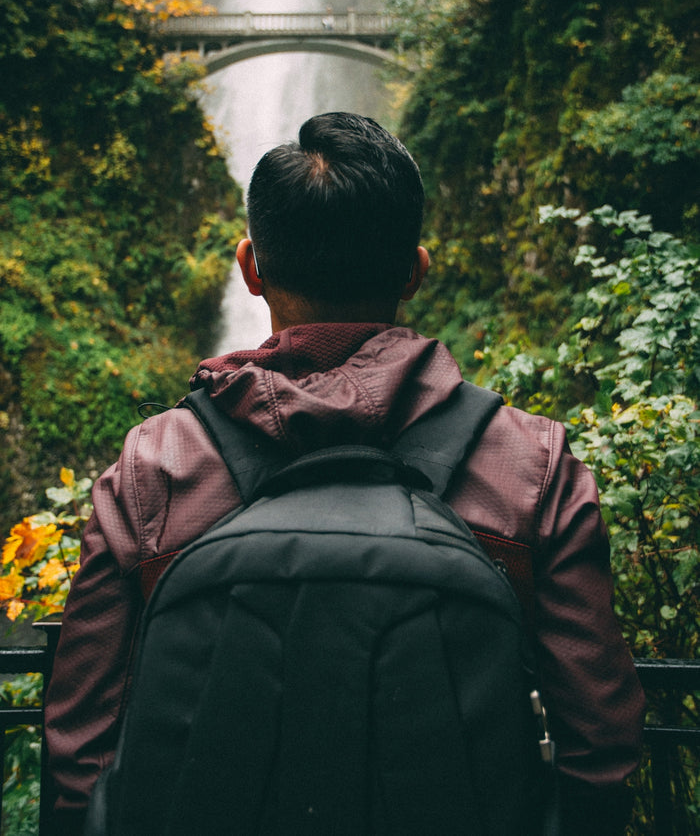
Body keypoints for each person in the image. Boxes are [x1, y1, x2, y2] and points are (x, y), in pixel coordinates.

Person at [45, 112, 645, 836]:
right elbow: (601, 752)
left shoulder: (152, 467)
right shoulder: (535, 467)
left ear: (251, 267)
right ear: (415, 271)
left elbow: (81, 751)